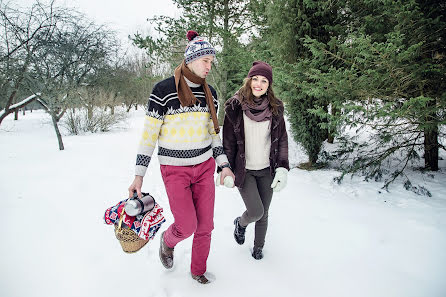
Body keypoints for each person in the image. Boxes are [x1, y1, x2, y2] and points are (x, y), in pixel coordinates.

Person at [128, 30, 235, 284]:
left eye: (211, 61)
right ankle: (168, 241)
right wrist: (138, 176)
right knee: (187, 225)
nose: (210, 66)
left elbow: (213, 136)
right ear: (190, 59)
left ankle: (198, 270)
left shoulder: (211, 94)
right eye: (205, 61)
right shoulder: (163, 91)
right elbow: (148, 137)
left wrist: (224, 167)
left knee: (205, 226)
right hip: (174, 170)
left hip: (204, 167)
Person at [222, 61, 289, 260]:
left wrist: (283, 168)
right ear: (249, 81)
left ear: (269, 85)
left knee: (264, 212)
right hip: (245, 170)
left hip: (267, 169)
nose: (258, 84)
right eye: (255, 79)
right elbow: (228, 143)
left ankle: (258, 247)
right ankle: (240, 224)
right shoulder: (235, 107)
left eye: (264, 80)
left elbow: (282, 139)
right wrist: (226, 168)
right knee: (256, 211)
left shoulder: (275, 108)